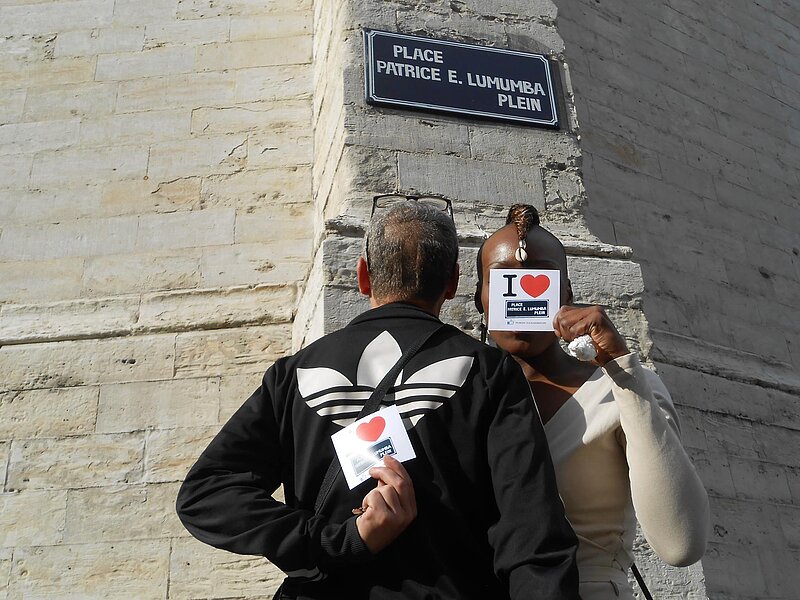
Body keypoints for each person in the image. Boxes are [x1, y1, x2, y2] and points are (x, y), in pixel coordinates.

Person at [177, 197, 580, 600]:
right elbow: (531, 530)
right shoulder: (489, 372)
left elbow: (206, 494)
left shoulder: (293, 374)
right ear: (453, 283)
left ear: (363, 276)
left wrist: (333, 542)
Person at [475, 204, 710, 600]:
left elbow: (681, 544)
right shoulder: (457, 394)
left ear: (566, 293)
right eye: (502, 280)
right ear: (480, 299)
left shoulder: (619, 388)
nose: (520, 291)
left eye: (539, 278)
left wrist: (622, 370)